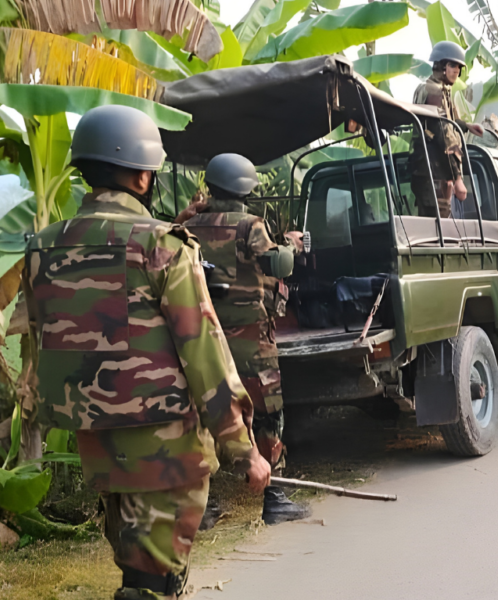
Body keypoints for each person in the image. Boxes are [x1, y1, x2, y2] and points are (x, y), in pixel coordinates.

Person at [23, 106, 270, 600]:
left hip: (98, 444)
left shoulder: (42, 248)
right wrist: (243, 448)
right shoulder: (162, 245)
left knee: (137, 570)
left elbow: (39, 337)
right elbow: (203, 353)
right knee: (154, 582)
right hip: (166, 448)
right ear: (141, 174)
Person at [183, 154, 309, 526]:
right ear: (246, 187)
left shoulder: (190, 224)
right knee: (268, 413)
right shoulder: (249, 225)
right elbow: (278, 265)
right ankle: (275, 497)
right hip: (251, 340)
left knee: (202, 415)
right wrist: (293, 244)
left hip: (204, 337)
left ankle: (201, 506)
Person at [410, 41, 484, 218]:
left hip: (432, 169)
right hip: (432, 169)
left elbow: (448, 121)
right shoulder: (434, 91)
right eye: (452, 65)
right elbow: (443, 133)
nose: (457, 70)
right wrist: (458, 178)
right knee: (436, 228)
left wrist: (466, 126)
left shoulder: (441, 90)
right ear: (441, 65)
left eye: (459, 66)